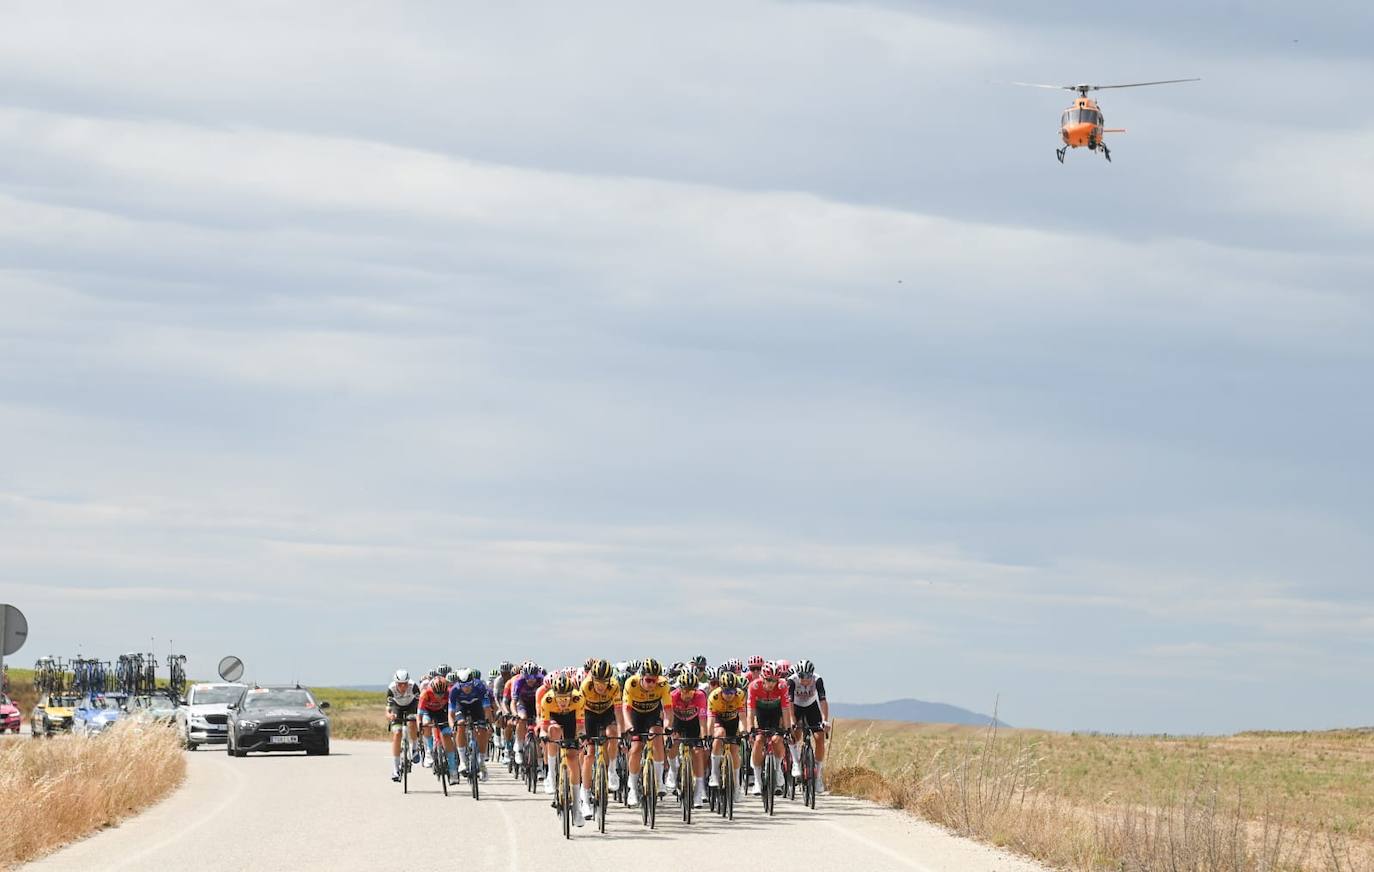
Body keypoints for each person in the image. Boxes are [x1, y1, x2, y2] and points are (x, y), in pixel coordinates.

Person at [620, 657, 671, 806]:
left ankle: (659, 780)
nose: (652, 684)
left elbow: (668, 709)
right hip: (635, 715)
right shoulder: (632, 683)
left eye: (654, 680)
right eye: (648, 680)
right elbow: (626, 709)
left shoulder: (663, 684)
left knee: (657, 735)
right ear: (642, 677)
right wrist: (629, 726)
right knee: (635, 749)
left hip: (652, 714)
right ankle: (633, 789)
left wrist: (668, 726)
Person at [538, 673, 587, 826]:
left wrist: (580, 737)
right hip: (554, 720)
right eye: (560, 699)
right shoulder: (548, 699)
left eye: (566, 699)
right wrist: (543, 734)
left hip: (572, 721)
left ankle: (577, 809)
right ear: (555, 695)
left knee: (572, 758)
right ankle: (551, 777)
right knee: (553, 731)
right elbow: (544, 725)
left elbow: (580, 725)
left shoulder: (578, 698)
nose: (563, 702)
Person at [579, 659, 623, 804]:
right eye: (598, 683)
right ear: (592, 679)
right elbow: (579, 711)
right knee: (590, 754)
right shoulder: (585, 686)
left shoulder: (615, 686)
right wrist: (582, 732)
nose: (601, 687)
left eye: (604, 683)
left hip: (607, 712)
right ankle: (585, 793)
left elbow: (618, 710)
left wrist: (621, 732)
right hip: (589, 714)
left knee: (613, 733)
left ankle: (611, 769)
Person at [745, 663, 793, 795]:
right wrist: (750, 729)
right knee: (759, 739)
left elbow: (785, 709)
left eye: (774, 680)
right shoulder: (754, 686)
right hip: (760, 713)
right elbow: (751, 711)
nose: (772, 684)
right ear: (762, 678)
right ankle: (757, 781)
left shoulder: (782, 686)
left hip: (775, 713)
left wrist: (787, 729)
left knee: (777, 739)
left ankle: (777, 770)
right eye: (769, 680)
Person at [788, 659, 830, 792]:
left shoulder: (818, 680)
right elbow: (789, 702)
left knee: (819, 737)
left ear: (812, 675)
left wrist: (825, 720)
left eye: (807, 676)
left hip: (812, 707)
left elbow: (822, 700)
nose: (804, 679)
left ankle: (818, 775)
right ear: (797, 674)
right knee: (795, 734)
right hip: (796, 707)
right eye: (801, 676)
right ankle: (795, 762)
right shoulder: (792, 680)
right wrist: (793, 720)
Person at [668, 671, 709, 807]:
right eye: (685, 691)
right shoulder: (673, 696)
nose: (687, 694)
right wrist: (669, 733)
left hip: (694, 724)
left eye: (691, 691)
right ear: (680, 688)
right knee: (673, 743)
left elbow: (703, 721)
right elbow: (668, 718)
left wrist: (704, 738)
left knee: (698, 753)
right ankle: (673, 771)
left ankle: (698, 793)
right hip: (677, 722)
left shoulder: (700, 697)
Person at [448, 668, 495, 781]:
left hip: (476, 706)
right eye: (463, 686)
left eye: (469, 685)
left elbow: (487, 709)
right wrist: (452, 727)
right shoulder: (454, 690)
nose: (466, 688)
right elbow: (451, 714)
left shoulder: (480, 687)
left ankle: (482, 762)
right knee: (460, 724)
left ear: (473, 682)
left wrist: (488, 723)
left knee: (482, 729)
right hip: (461, 707)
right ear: (459, 684)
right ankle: (463, 761)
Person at [706, 669, 746, 797]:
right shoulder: (714, 696)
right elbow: (710, 720)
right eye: (727, 691)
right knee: (719, 734)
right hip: (718, 720)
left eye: (732, 691)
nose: (730, 695)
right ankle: (714, 774)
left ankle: (736, 784)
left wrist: (744, 731)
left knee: (734, 750)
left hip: (733, 721)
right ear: (721, 689)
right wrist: (708, 735)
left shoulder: (740, 695)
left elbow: (742, 718)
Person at [418, 674, 459, 783]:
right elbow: (420, 714)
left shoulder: (449, 692)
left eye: (442, 694)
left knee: (446, 735)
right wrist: (419, 725)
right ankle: (430, 751)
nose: (439, 697)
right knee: (425, 724)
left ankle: (453, 769)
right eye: (437, 694)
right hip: (428, 711)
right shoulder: (425, 693)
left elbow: (453, 709)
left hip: (442, 712)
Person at [385, 669, 421, 781]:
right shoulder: (391, 689)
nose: (402, 687)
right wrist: (390, 716)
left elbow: (420, 705)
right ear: (396, 683)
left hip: (411, 705)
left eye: (405, 684)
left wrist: (418, 717)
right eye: (400, 684)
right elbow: (388, 710)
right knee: (397, 733)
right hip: (397, 707)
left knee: (412, 721)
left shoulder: (414, 687)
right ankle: (396, 769)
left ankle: (415, 748)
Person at [510, 662, 545, 770]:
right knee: (522, 718)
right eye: (528, 677)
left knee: (539, 732)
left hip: (537, 703)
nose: (531, 680)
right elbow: (513, 702)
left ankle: (540, 764)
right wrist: (515, 714)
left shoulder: (541, 680)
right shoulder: (519, 681)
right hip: (523, 703)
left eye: (533, 677)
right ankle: (519, 747)